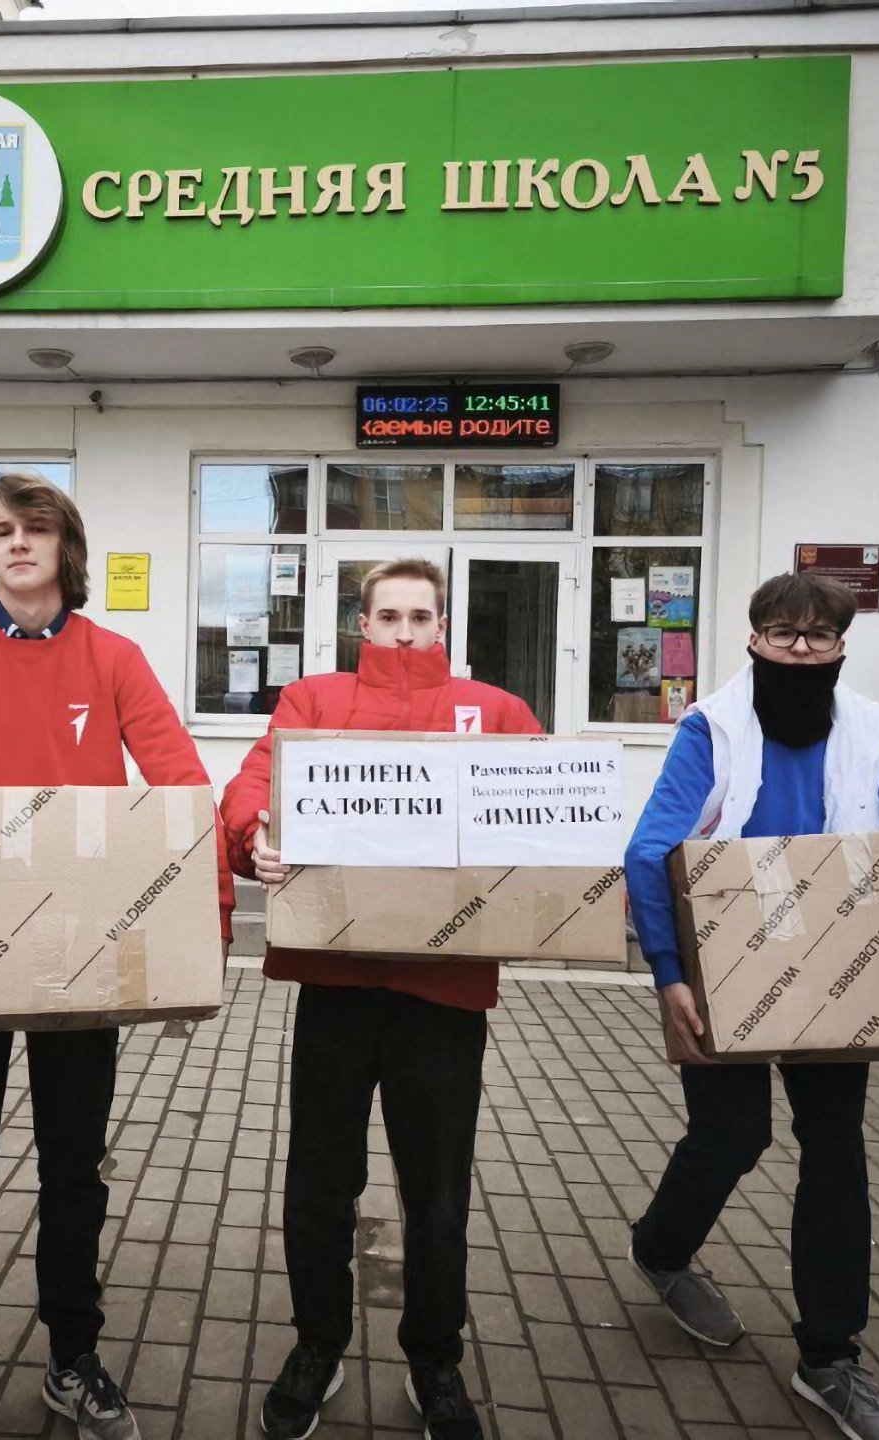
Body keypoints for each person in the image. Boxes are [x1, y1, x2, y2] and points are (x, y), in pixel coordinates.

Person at [0, 470, 234, 1440]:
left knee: (74, 1169)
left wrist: (203, 929)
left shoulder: (113, 659)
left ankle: (73, 1354)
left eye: (37, 528)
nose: (18, 543)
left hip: (81, 947)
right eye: (2, 530)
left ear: (67, 547)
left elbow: (181, 786)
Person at [623, 571, 879, 1440]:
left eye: (816, 636)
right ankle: (661, 1248)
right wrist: (669, 976)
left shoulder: (877, 735)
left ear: (842, 647)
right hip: (724, 960)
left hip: (838, 966)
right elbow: (651, 848)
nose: (797, 649)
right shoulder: (713, 728)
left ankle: (829, 1357)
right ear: (753, 641)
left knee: (835, 1149)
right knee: (734, 1134)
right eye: (780, 633)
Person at [220, 558, 541, 1440]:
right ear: (362, 624)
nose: (405, 631)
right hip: (336, 983)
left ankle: (435, 1361)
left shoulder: (498, 713)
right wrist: (258, 836)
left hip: (444, 994)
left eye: (420, 616)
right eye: (389, 615)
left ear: (444, 626)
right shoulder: (314, 703)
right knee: (321, 1183)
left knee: (437, 1193)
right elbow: (252, 785)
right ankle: (317, 1344)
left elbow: (554, 807)